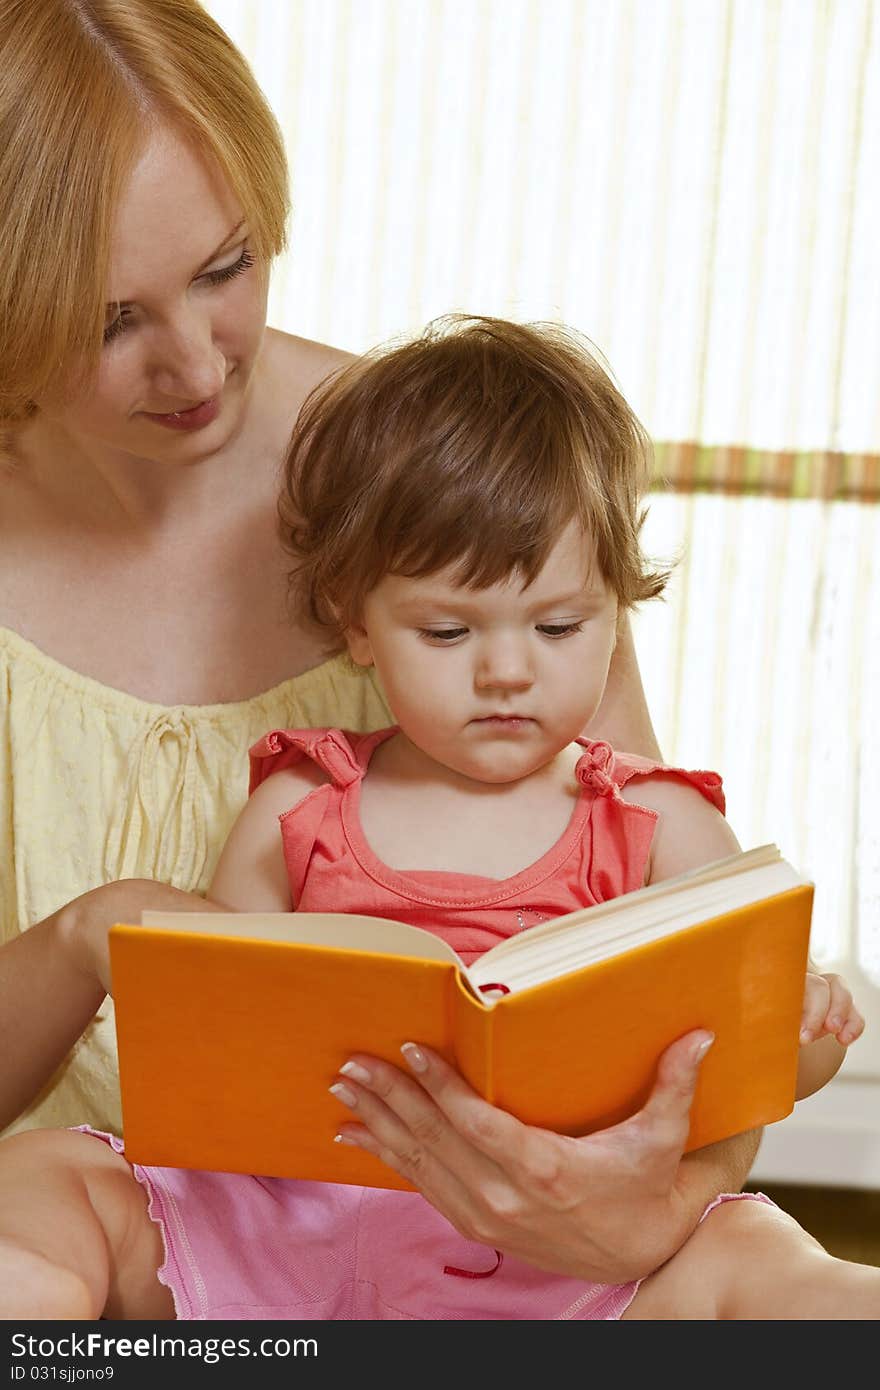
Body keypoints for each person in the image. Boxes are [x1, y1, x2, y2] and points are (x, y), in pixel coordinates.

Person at [0, 0, 765, 1289]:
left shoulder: (449, 493)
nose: (195, 362)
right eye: (108, 317)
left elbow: (658, 990)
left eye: (225, 266)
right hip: (136, 1244)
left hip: (509, 1249)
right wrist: (90, 941)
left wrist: (643, 1208)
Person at [0, 315, 871, 1321]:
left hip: (566, 1262)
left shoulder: (656, 821)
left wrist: (807, 1028)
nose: (507, 670)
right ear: (354, 622)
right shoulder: (300, 806)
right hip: (294, 1238)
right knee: (45, 1174)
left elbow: (759, 1074)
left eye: (559, 625)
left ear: (616, 608)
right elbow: (219, 1037)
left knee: (769, 1257)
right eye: (448, 630)